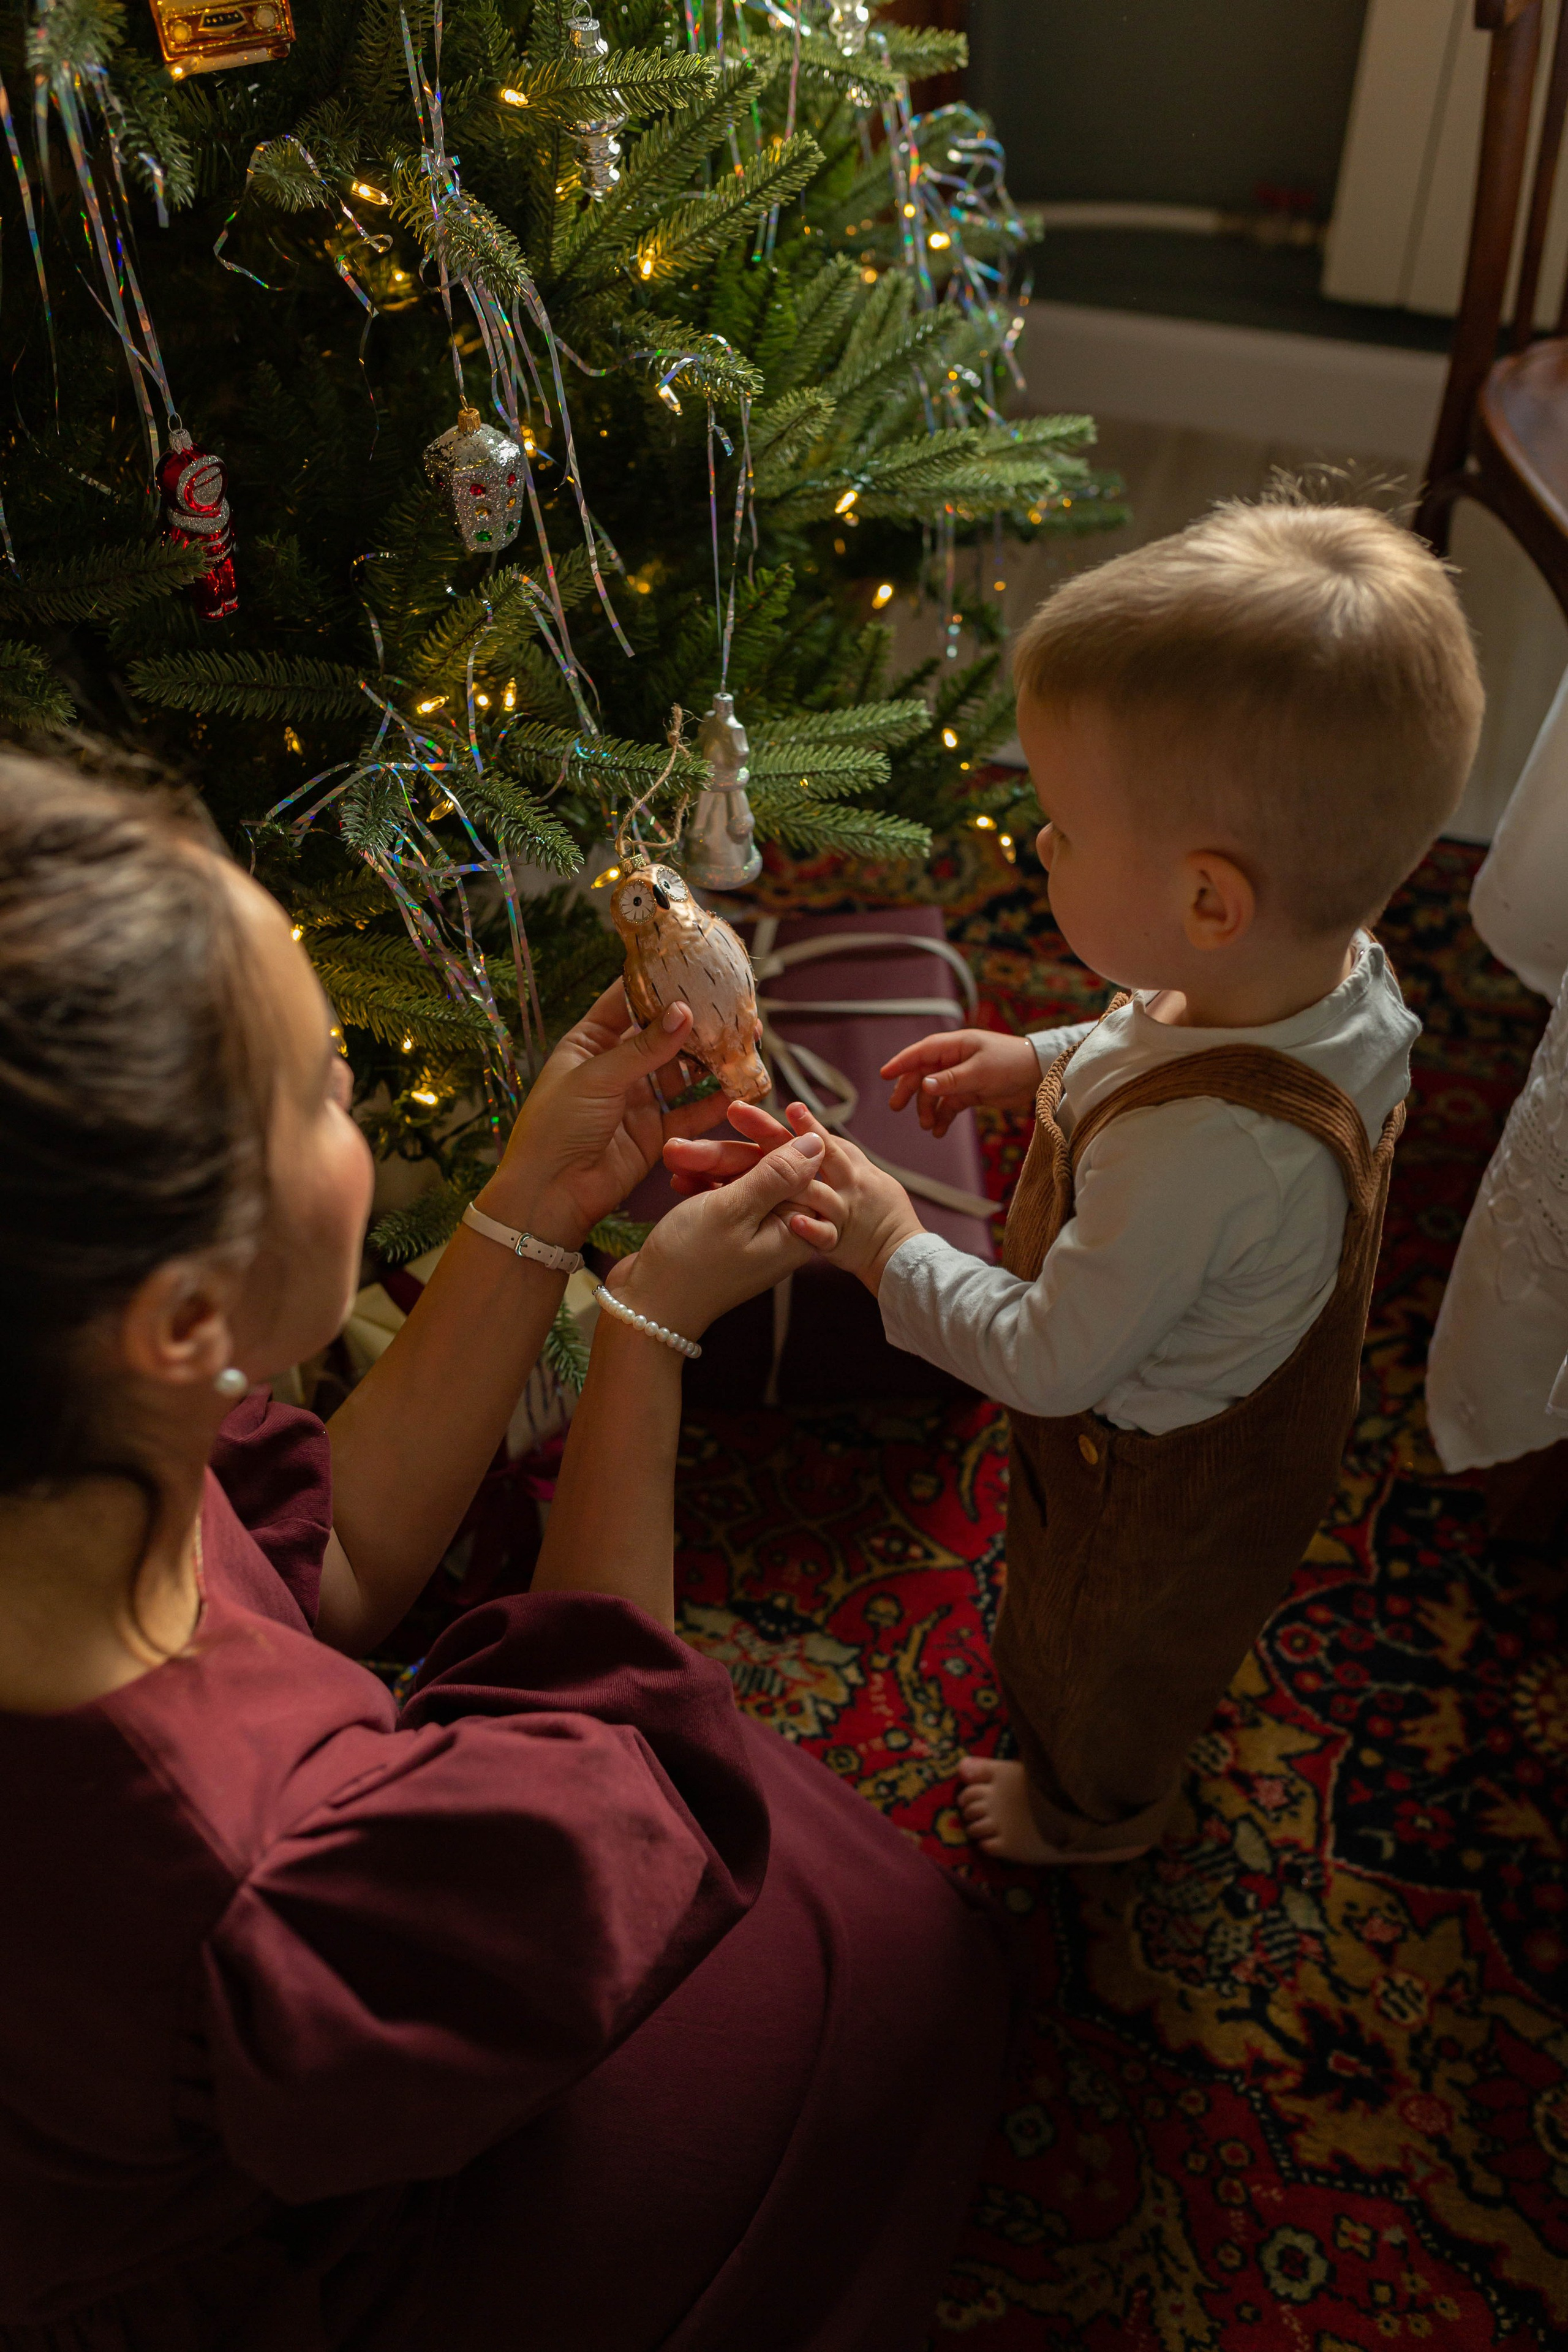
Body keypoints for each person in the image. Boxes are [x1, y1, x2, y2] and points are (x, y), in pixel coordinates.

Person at [0, 754, 1018, 2351]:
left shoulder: (62, 1456)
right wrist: (645, 1329)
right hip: (304, 2263)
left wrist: (535, 1205)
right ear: (185, 1319)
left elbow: (324, 1566)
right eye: (328, 1090)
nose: (351, 1104)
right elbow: (614, 1780)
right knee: (884, 1965)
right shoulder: (230, 1871)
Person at [668, 498, 1485, 1867]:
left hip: (1148, 1469)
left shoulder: (1202, 1156)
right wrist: (1036, 1056)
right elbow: (1144, 1031)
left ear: (1208, 902)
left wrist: (882, 1241)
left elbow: (1046, 1362)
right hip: (1253, 1369)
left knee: (1102, 1655)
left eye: (1058, 826)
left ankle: (1096, 1815)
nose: (1033, 846)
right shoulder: (1315, 975)